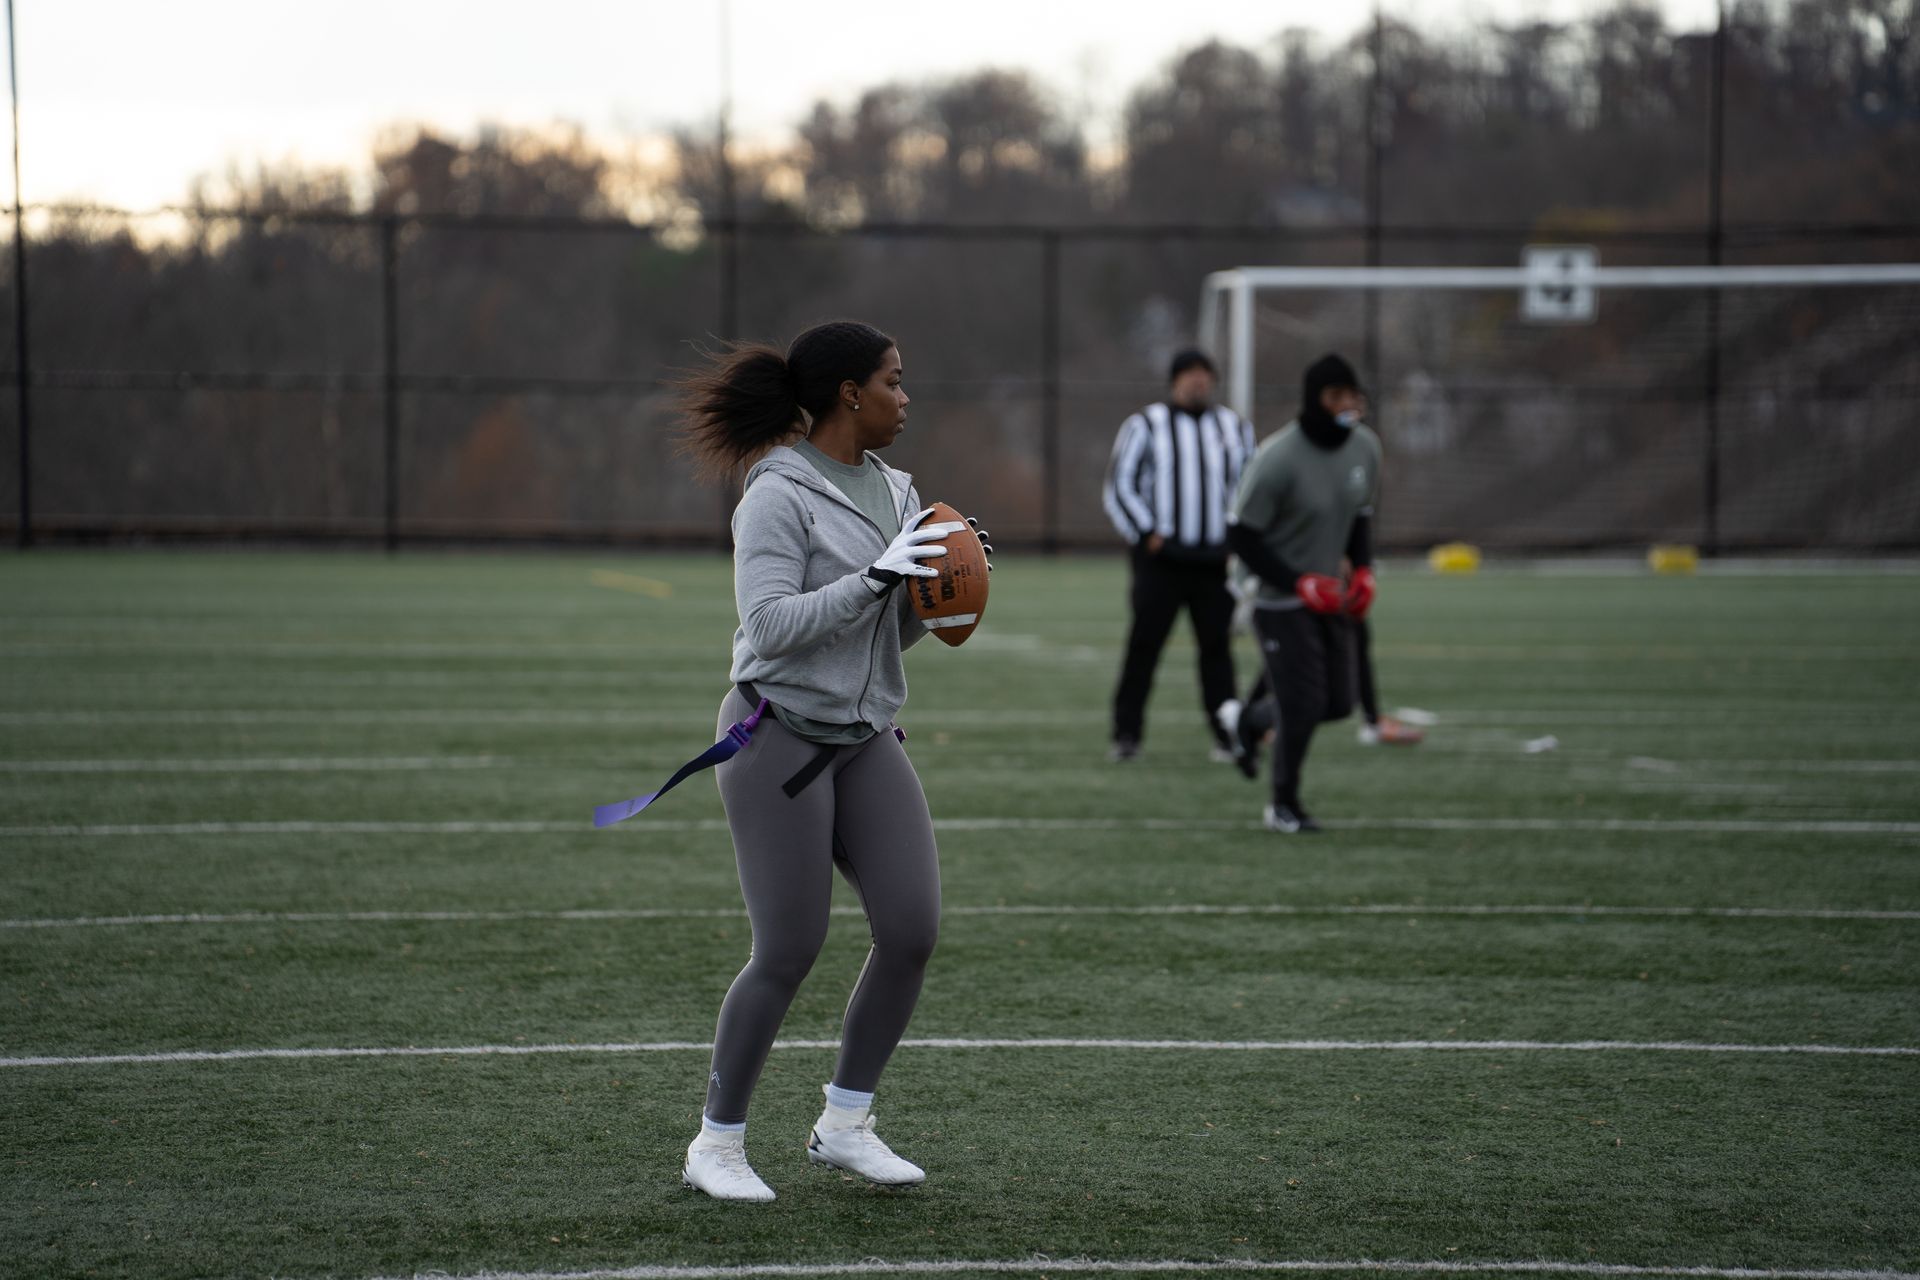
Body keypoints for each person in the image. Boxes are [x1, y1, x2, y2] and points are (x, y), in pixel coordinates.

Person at [671, 320, 990, 1202]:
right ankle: (716, 1144)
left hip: (864, 736)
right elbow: (768, 628)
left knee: (913, 926)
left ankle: (845, 1124)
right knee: (789, 945)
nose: (905, 396)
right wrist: (881, 577)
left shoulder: (899, 488)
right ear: (851, 394)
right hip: (776, 733)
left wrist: (946, 585)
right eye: (894, 380)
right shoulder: (776, 493)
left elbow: (886, 637)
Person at [1225, 353, 1381, 832]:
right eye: (1337, 396)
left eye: (1352, 396)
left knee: (1338, 702)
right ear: (1316, 400)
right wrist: (1297, 581)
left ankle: (1248, 721)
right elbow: (1240, 534)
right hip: (1273, 594)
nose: (1347, 406)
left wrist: (1364, 572)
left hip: (1328, 592)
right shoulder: (1278, 458)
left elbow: (1359, 516)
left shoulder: (1366, 449)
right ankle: (1283, 806)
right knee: (1302, 704)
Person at [1101, 348, 1256, 763]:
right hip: (1162, 560)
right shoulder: (1146, 424)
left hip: (1214, 561)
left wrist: (1238, 543)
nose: (1198, 382)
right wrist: (1147, 532)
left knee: (1217, 651)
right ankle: (1127, 734)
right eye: (1190, 374)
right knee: (1145, 645)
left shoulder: (1234, 427)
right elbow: (1120, 485)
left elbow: (1250, 487)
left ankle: (1227, 735)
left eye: (1205, 374)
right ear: (1174, 381)